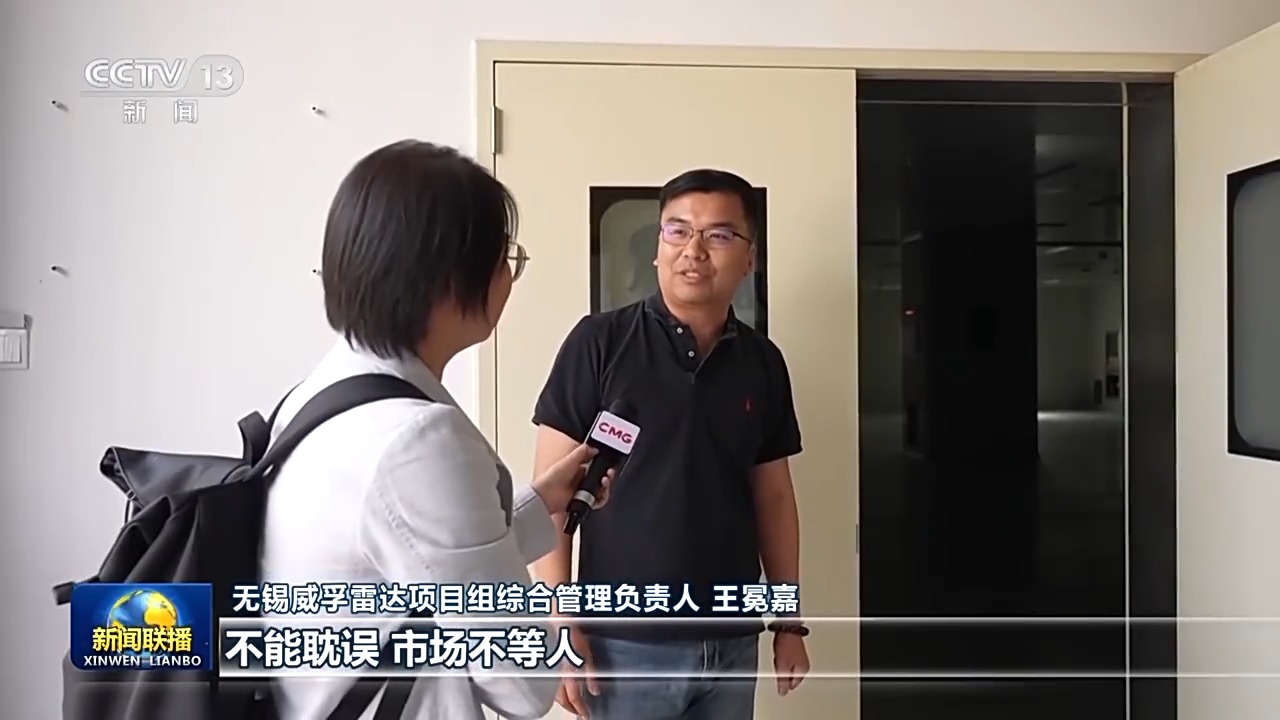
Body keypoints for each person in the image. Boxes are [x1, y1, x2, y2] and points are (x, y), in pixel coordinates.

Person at [260, 140, 610, 720]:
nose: (509, 276)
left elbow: (410, 559)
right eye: (504, 257)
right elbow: (521, 685)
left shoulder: (318, 397)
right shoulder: (421, 442)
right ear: (452, 278)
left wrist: (540, 501)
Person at [531, 168, 811, 719]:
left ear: (750, 258)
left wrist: (788, 622)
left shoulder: (762, 362)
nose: (694, 251)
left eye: (719, 235)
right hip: (622, 644)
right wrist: (561, 625)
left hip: (733, 641)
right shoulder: (599, 343)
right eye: (677, 231)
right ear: (658, 248)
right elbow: (549, 499)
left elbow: (774, 497)